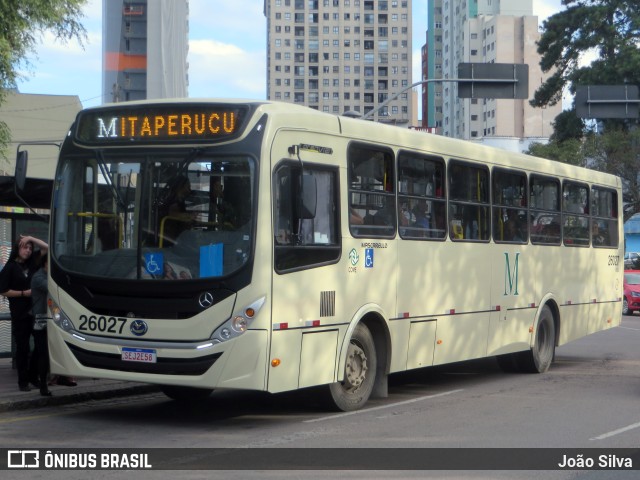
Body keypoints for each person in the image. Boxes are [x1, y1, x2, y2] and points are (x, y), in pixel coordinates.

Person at [0, 235, 47, 392]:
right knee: (23, 347)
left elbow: (46, 248)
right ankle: (23, 381)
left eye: (29, 248)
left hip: (36, 311)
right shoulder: (10, 267)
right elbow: (3, 290)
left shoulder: (33, 263)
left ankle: (33, 376)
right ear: (17, 248)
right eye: (24, 247)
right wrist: (23, 293)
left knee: (41, 346)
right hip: (20, 313)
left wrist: (31, 238)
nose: (27, 250)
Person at [30, 254, 52, 396]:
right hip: (40, 320)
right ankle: (43, 385)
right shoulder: (39, 278)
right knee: (43, 353)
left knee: (39, 351)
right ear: (45, 263)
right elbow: (51, 287)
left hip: (48, 319)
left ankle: (32, 376)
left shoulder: (44, 275)